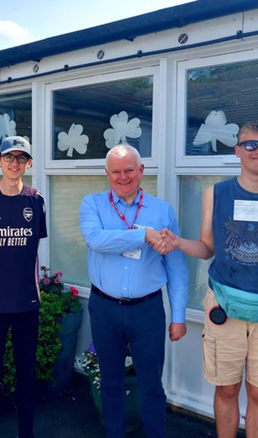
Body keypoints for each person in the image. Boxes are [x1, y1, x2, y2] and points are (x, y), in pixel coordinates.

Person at [161, 120, 258, 438]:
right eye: (250, 144)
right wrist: (178, 243)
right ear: (237, 151)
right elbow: (206, 249)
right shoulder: (215, 194)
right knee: (227, 388)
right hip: (223, 303)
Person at [79, 143, 189, 438]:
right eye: (116, 171)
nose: (123, 177)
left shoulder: (162, 211)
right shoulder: (92, 204)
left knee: (152, 385)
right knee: (110, 382)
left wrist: (178, 315)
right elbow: (96, 240)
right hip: (105, 308)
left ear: (141, 170)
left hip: (147, 309)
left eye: (129, 170)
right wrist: (144, 236)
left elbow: (176, 266)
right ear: (107, 173)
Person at [0, 136, 47, 438]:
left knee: (26, 374)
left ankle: (26, 432)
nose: (15, 163)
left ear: (29, 163)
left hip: (26, 303)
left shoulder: (35, 200)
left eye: (21, 158)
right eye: (9, 157)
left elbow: (33, 246)